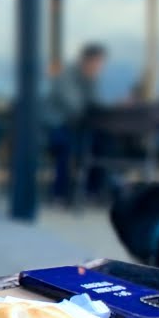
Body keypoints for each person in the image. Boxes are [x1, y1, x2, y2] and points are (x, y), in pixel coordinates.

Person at [43, 42, 107, 202]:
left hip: (78, 128)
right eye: (97, 62)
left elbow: (95, 104)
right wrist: (90, 83)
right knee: (68, 145)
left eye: (101, 63)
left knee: (103, 143)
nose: (99, 67)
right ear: (86, 60)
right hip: (55, 127)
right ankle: (59, 192)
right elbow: (74, 106)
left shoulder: (91, 79)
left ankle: (92, 191)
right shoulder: (67, 75)